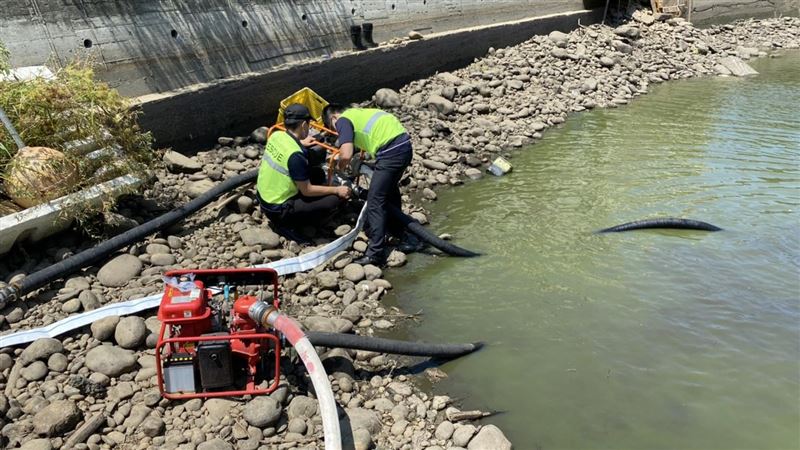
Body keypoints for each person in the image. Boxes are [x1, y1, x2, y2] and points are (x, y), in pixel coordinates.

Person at [322, 104, 414, 266]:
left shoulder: (342, 120)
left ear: (333, 118)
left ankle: (375, 254)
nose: (337, 131)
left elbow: (347, 152)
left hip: (391, 152)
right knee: (390, 191)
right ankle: (401, 235)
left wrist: (340, 168)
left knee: (374, 201)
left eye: (333, 128)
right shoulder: (359, 113)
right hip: (404, 146)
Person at [257, 104, 351, 230]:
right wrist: (337, 190)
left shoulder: (275, 135)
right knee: (333, 200)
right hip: (278, 209)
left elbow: (286, 146)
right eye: (309, 123)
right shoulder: (295, 156)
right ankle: (301, 225)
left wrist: (300, 142)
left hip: (265, 197)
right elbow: (307, 190)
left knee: (317, 174)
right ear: (303, 125)